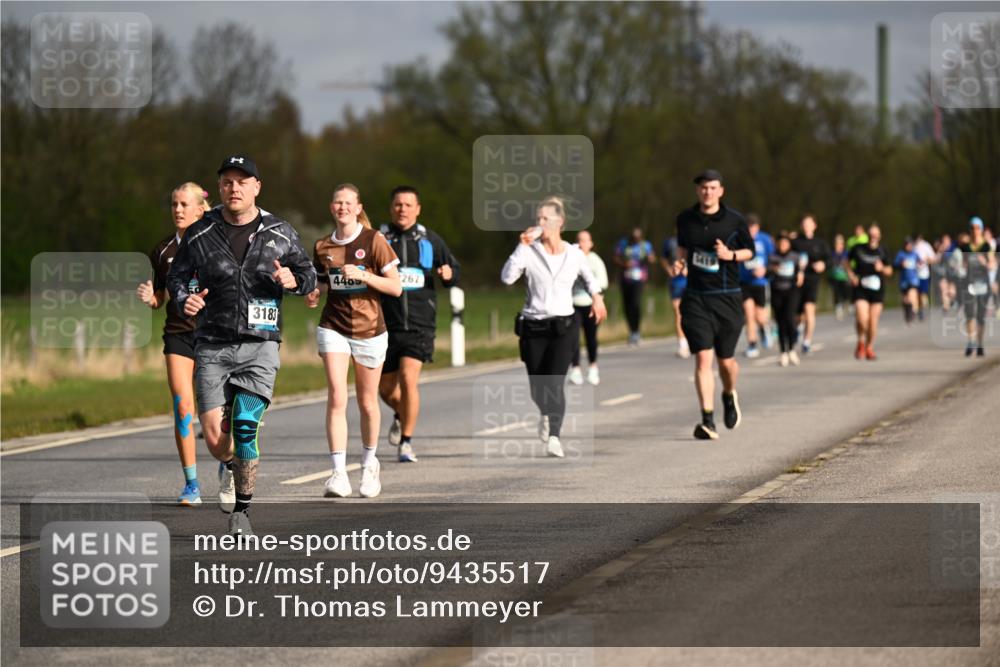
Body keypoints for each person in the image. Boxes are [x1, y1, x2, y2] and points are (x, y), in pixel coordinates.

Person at [167, 154, 317, 535]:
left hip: (260, 345)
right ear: (219, 188)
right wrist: (186, 298)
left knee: (246, 426)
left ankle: (242, 514)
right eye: (227, 181)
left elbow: (308, 273)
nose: (235, 188)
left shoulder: (280, 232)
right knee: (218, 442)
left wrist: (294, 281)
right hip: (212, 345)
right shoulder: (201, 232)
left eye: (242, 181)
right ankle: (228, 464)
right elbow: (178, 278)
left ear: (256, 188)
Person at [307, 184, 402, 497]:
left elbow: (396, 288)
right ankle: (337, 475)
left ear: (358, 207)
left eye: (348, 203)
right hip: (333, 326)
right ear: (331, 207)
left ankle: (369, 464)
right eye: (337, 202)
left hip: (370, 329)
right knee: (336, 396)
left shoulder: (374, 240)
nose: (342, 207)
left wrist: (364, 276)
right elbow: (321, 282)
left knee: (366, 402)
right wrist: (313, 293)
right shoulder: (322, 246)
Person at [501, 196, 607, 458]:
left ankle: (555, 436)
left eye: (545, 218)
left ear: (560, 222)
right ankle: (546, 415)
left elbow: (589, 279)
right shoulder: (528, 250)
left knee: (555, 383)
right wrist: (520, 247)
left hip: (563, 327)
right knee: (538, 387)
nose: (540, 223)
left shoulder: (574, 253)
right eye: (538, 219)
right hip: (533, 327)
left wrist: (597, 298)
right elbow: (506, 278)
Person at [136, 182, 211, 505]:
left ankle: (228, 462)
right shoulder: (163, 250)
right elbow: (160, 296)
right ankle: (191, 484)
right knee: (183, 406)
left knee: (214, 415)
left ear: (199, 208)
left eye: (184, 204)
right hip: (178, 334)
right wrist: (149, 298)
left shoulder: (216, 243)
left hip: (214, 336)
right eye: (174, 204)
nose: (178, 210)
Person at [667, 170, 754, 440]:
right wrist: (679, 264)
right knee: (703, 358)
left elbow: (749, 251)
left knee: (725, 362)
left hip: (727, 297)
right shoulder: (685, 219)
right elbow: (683, 251)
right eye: (704, 188)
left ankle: (729, 394)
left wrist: (730, 255)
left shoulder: (735, 220)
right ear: (698, 191)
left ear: (721, 191)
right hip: (696, 297)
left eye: (713, 187)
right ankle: (707, 420)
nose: (708, 192)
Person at [376, 185, 460, 463]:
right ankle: (401, 414)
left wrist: (448, 274)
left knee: (408, 379)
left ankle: (406, 442)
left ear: (418, 209)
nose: (403, 209)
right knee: (386, 389)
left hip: (420, 323)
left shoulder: (429, 239)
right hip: (384, 324)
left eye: (408, 205)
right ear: (392, 208)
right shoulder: (379, 238)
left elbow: (453, 271)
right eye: (398, 204)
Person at [568, 229, 609, 385]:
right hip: (573, 304)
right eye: (579, 240)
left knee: (591, 337)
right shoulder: (570, 258)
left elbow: (603, 283)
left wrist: (596, 299)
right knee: (573, 337)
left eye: (585, 240)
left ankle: (593, 367)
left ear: (591, 244)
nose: (582, 243)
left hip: (590, 304)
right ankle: (576, 368)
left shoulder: (595, 261)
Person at [846, 224, 892, 360]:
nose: (873, 237)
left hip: (877, 290)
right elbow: (846, 262)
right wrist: (852, 276)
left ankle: (869, 347)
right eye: (871, 234)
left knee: (873, 322)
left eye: (875, 235)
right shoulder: (858, 248)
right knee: (862, 319)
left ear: (879, 236)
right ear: (867, 235)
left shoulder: (883, 250)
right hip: (861, 288)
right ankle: (861, 340)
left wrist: (882, 268)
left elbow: (890, 271)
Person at [956, 217, 995, 357]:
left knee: (980, 316)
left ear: (981, 229)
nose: (975, 230)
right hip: (969, 284)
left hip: (983, 284)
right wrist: (961, 267)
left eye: (977, 227)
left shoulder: (987, 247)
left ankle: (980, 344)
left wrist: (985, 262)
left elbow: (992, 265)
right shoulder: (965, 247)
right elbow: (960, 263)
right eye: (972, 228)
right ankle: (971, 341)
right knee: (970, 313)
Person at [791, 214, 829, 355]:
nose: (807, 226)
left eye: (809, 223)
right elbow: (787, 257)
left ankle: (807, 341)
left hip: (812, 281)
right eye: (804, 223)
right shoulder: (795, 243)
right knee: (797, 315)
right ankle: (798, 329)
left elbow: (829, 260)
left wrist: (823, 265)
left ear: (815, 225)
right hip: (797, 281)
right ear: (801, 226)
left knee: (809, 310)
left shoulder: (820, 244)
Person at [739, 213, 774, 358]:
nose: (751, 232)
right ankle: (752, 345)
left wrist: (764, 269)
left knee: (760, 316)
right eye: (748, 228)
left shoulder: (765, 239)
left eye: (753, 228)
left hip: (760, 283)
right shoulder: (739, 239)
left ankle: (765, 328)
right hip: (744, 282)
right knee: (749, 313)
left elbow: (774, 259)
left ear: (757, 228)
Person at [767, 232, 805, 367]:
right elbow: (766, 273)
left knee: (790, 319)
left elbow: (800, 272)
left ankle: (792, 348)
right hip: (777, 291)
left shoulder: (794, 256)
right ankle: (783, 352)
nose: (783, 246)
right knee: (780, 322)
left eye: (785, 243)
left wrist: (800, 275)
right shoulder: (772, 257)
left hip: (792, 291)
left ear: (789, 244)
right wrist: (773, 269)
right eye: (780, 243)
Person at [614, 227, 655, 346]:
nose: (635, 240)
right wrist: (624, 263)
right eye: (634, 238)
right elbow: (615, 258)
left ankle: (636, 331)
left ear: (641, 238)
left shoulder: (646, 245)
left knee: (635, 303)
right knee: (627, 305)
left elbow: (652, 258)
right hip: (625, 278)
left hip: (639, 278)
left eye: (638, 238)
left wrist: (649, 258)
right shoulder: (623, 243)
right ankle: (631, 331)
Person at [660, 235, 690, 358]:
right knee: (678, 312)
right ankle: (683, 346)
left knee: (694, 312)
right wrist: (668, 269)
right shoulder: (669, 242)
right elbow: (663, 258)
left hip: (692, 281)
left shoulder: (696, 237)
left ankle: (698, 341)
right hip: (676, 282)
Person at [893, 237, 921, 325]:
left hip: (913, 279)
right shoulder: (900, 254)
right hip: (904, 280)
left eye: (910, 245)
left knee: (912, 296)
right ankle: (907, 312)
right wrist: (901, 264)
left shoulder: (914, 254)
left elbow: (920, 262)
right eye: (907, 245)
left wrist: (920, 264)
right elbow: (895, 265)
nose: (909, 247)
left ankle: (913, 312)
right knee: (905, 300)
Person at [828, 233, 852, 320]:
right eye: (837, 243)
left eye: (841, 243)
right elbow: (828, 264)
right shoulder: (832, 253)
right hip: (834, 276)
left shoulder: (846, 253)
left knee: (846, 290)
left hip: (844, 277)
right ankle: (838, 308)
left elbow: (850, 264)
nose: (839, 245)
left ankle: (847, 303)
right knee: (836, 293)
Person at [913, 234, 936, 320]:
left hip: (924, 274)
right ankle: (917, 310)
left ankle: (921, 309)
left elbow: (933, 258)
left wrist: (927, 260)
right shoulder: (912, 246)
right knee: (915, 293)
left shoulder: (926, 246)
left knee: (922, 294)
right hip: (913, 274)